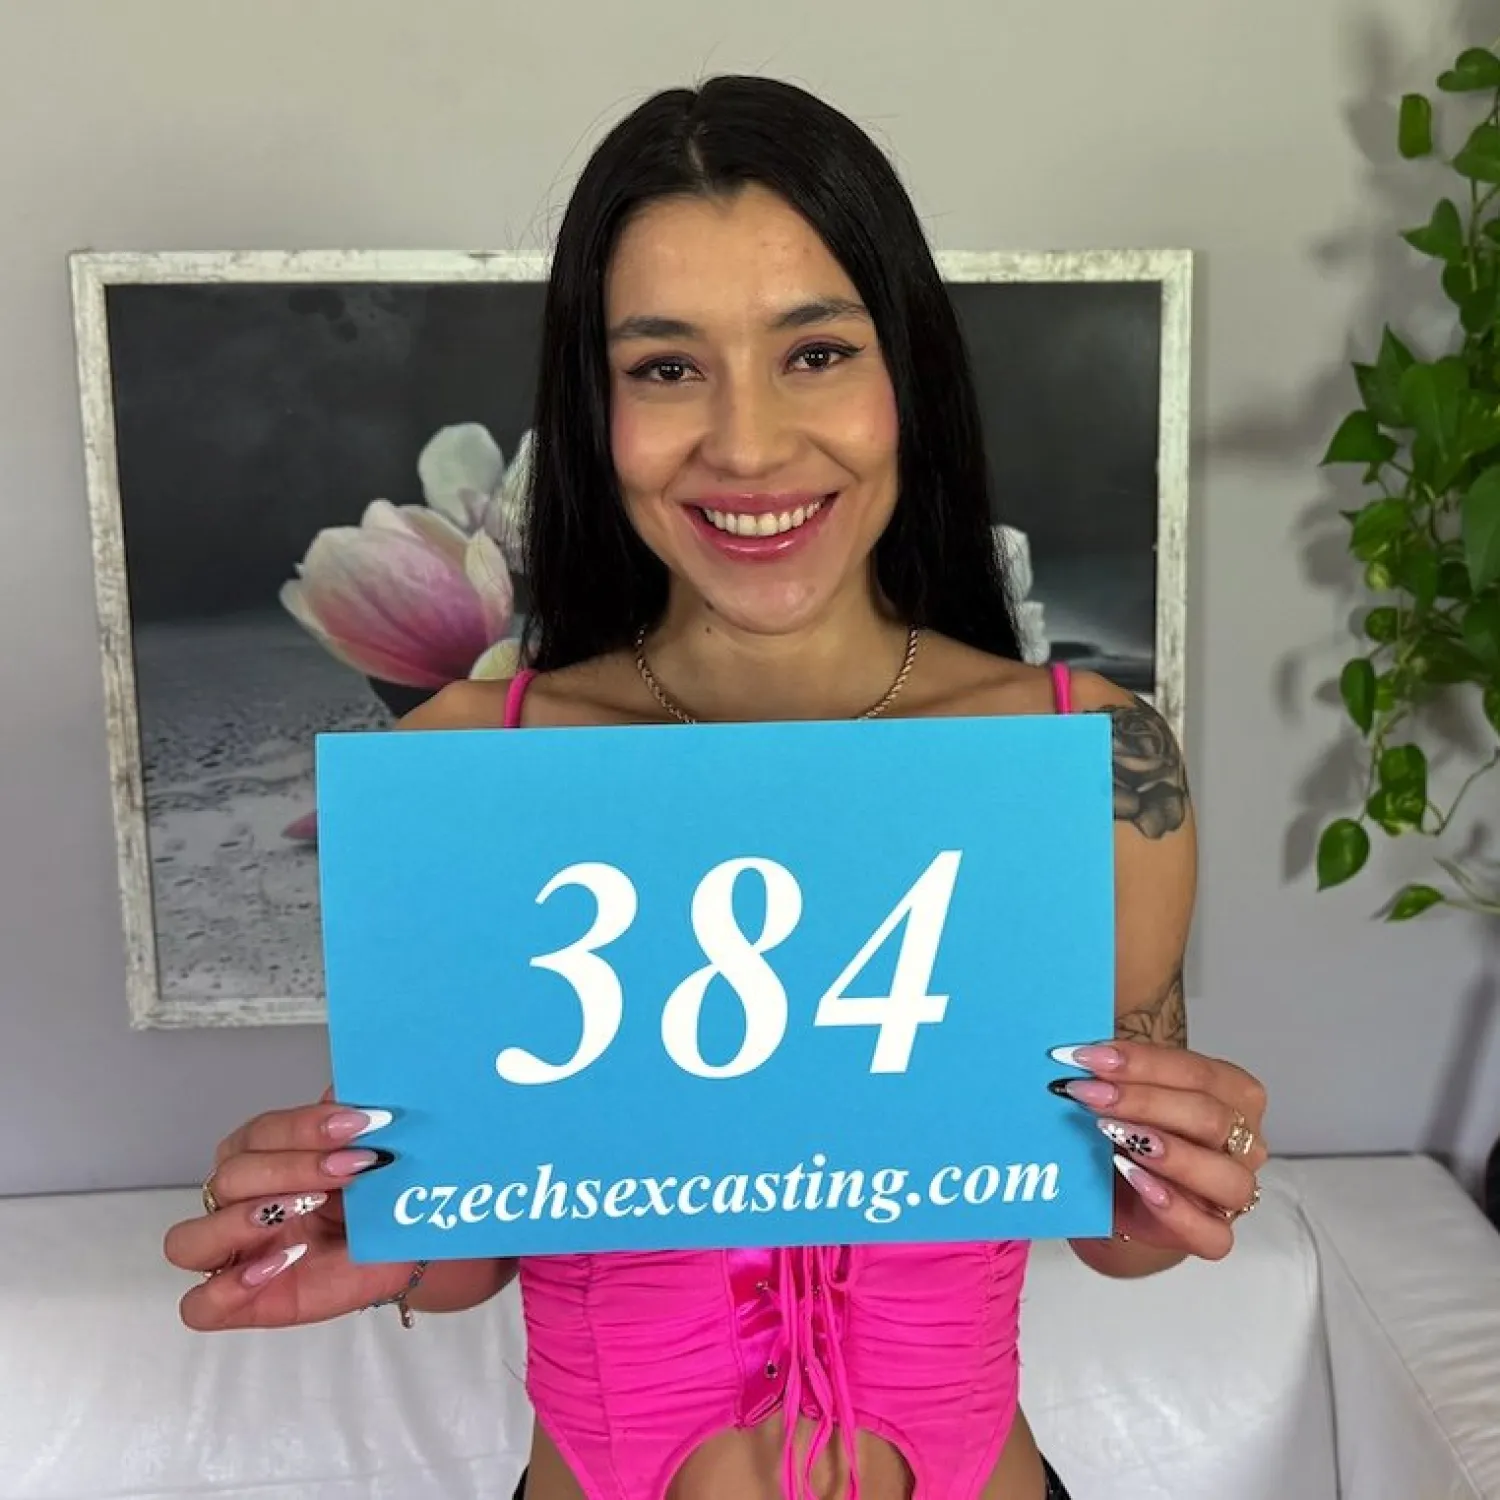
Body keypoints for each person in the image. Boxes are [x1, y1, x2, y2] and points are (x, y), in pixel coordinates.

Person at [163, 74, 1269, 1500]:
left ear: (908, 377)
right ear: (598, 407)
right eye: (667, 368)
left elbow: (1118, 1221)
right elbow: (466, 1243)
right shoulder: (465, 764)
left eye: (816, 351)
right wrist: (352, 1231)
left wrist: (1187, 1169)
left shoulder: (1094, 763)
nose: (747, 445)